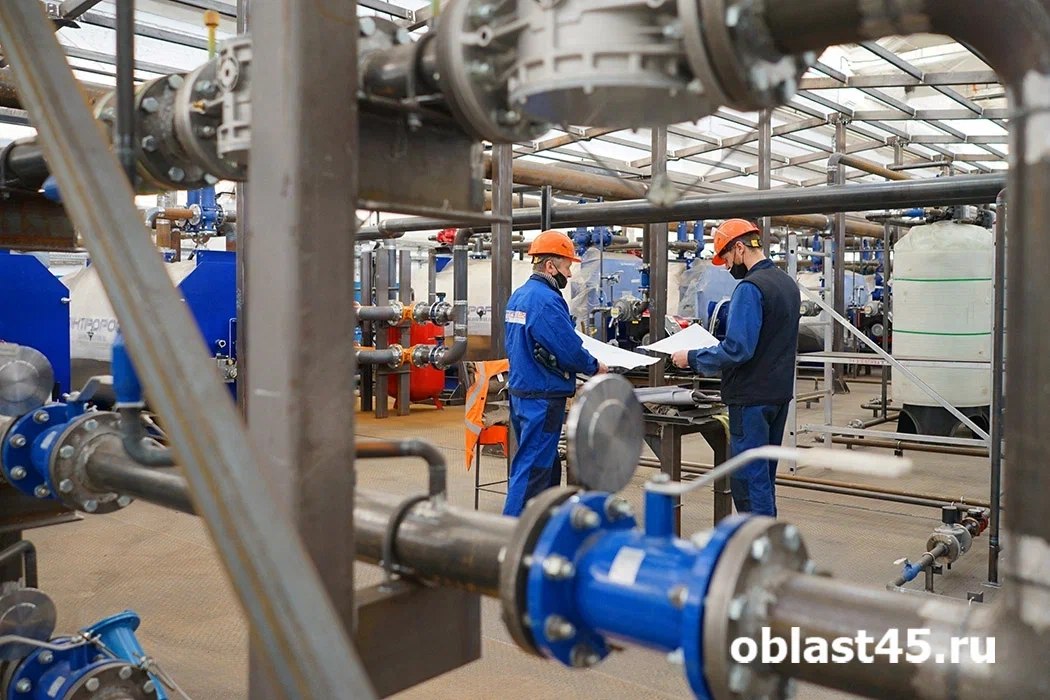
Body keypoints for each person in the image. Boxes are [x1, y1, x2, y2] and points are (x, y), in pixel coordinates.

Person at [671, 219, 799, 517]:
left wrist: (691, 358)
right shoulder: (787, 284)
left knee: (749, 480)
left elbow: (738, 349)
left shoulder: (750, 288)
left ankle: (756, 540)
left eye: (727, 257)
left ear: (740, 248)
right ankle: (768, 535)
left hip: (750, 400)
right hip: (778, 395)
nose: (728, 266)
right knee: (764, 477)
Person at [503, 230, 608, 516]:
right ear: (550, 266)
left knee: (547, 465)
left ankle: (543, 524)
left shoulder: (519, 296)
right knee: (532, 469)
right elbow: (567, 349)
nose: (569, 274)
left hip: (522, 391)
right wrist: (593, 366)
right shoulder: (546, 300)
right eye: (567, 266)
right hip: (543, 396)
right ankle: (510, 532)